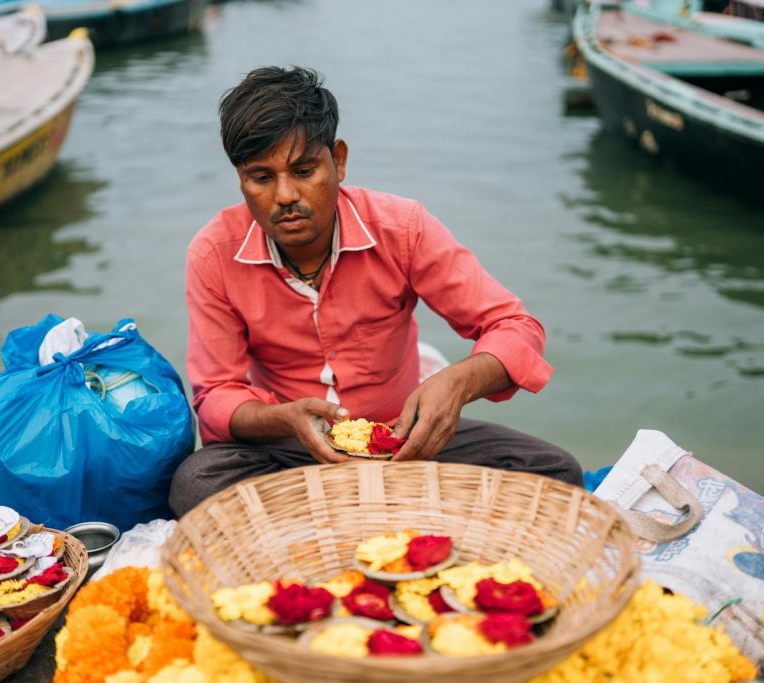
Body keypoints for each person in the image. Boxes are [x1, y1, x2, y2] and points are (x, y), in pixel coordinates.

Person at [169, 66, 581, 517]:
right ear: (241, 179)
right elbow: (216, 395)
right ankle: (393, 511)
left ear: (338, 160)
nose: (285, 195)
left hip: (404, 442)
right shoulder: (214, 253)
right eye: (261, 178)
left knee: (554, 472)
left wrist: (457, 383)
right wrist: (285, 419)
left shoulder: (402, 229)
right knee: (195, 486)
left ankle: (344, 513)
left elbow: (515, 327)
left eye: (304, 170)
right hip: (293, 449)